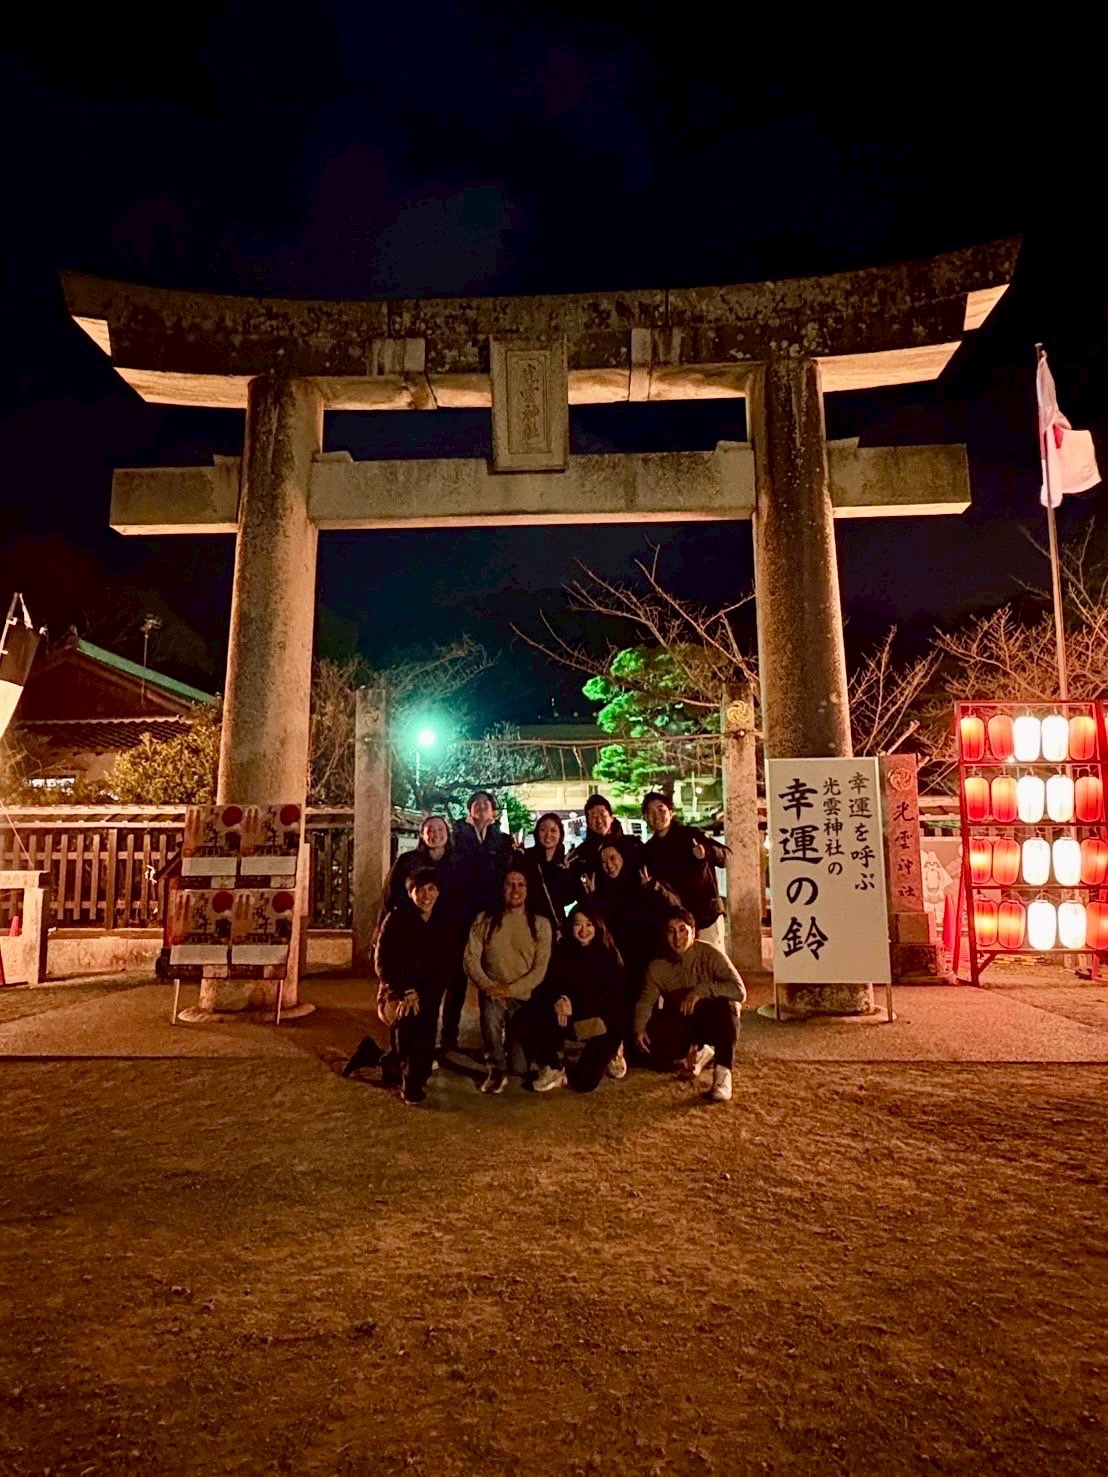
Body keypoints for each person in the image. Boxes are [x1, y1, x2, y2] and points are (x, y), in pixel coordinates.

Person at [634, 908, 746, 1103]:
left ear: (693, 932)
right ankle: (697, 1051)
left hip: (712, 1017)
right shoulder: (657, 966)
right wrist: (639, 1027)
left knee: (725, 1007)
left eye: (682, 930)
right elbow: (646, 1001)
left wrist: (702, 991)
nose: (677, 938)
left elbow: (739, 991)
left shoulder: (710, 954)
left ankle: (722, 1073)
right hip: (682, 1017)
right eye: (671, 931)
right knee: (652, 1051)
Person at [463, 868, 552, 1094]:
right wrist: (489, 987)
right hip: (493, 992)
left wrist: (510, 989)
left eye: (521, 884)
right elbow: (470, 959)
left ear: (528, 890)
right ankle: (495, 1068)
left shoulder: (541, 925)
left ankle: (512, 1042)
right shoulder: (484, 920)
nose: (515, 889)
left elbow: (539, 970)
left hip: (523, 997)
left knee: (519, 1067)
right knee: (490, 1015)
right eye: (510, 884)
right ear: (502, 888)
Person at [586, 837, 682, 1045]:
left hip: (648, 958)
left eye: (613, 858)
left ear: (623, 857)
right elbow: (600, 924)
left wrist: (653, 887)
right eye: (603, 862)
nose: (609, 865)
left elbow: (675, 906)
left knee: (647, 1007)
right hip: (620, 961)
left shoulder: (642, 879)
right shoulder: (602, 889)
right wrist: (592, 898)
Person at [373, 868, 453, 1105]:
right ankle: (410, 1084)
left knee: (427, 1025)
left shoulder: (443, 922)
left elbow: (446, 966)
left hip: (427, 993)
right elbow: (383, 962)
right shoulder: (396, 920)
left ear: (438, 891)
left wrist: (424, 994)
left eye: (431, 888)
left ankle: (387, 1061)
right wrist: (405, 991)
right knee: (408, 1018)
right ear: (410, 893)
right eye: (419, 890)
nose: (426, 895)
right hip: (396, 991)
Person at [443, 792, 515, 1053]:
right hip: (461, 917)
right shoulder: (456, 837)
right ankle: (449, 1036)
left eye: (487, 805)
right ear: (469, 811)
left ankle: (494, 1038)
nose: (482, 808)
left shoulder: (503, 841)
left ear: (493, 813)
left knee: (493, 974)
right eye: (477, 804)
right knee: (457, 978)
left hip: (492, 917)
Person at [528, 903, 626, 1093]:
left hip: (603, 1022)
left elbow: (612, 1000)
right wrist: (559, 999)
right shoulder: (563, 951)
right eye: (577, 924)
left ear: (597, 926)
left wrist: (575, 1005)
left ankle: (614, 1051)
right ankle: (554, 1067)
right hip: (574, 1016)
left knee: (584, 1083)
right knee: (539, 1009)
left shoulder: (610, 955)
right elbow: (551, 983)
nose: (583, 930)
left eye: (588, 924)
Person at [640, 792, 729, 949]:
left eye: (661, 810)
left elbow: (726, 857)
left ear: (671, 813)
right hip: (676, 924)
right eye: (650, 812)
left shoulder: (692, 835)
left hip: (706, 916)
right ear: (645, 818)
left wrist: (707, 853)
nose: (656, 816)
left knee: (711, 960)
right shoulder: (649, 851)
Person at [517, 813, 575, 942]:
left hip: (555, 927)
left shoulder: (566, 862)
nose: (548, 835)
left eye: (553, 830)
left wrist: (565, 873)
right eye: (543, 830)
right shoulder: (525, 859)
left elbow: (569, 899)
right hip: (528, 925)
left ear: (560, 834)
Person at [382, 814, 457, 914]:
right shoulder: (407, 860)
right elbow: (391, 892)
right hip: (412, 918)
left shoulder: (458, 861)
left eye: (440, 829)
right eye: (430, 830)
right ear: (422, 834)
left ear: (447, 833)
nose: (436, 834)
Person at [566, 792, 637, 894]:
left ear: (611, 817)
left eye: (602, 815)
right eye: (593, 816)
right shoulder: (581, 854)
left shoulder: (632, 845)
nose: (599, 820)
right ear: (588, 822)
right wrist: (566, 872)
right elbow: (573, 890)